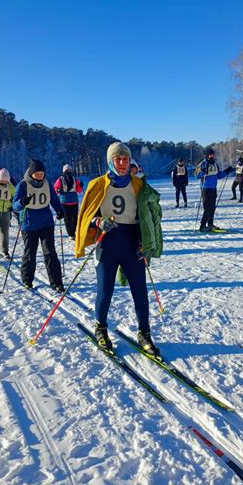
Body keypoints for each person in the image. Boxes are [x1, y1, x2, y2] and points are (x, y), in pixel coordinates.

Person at [75, 142, 163, 356]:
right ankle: (101, 328)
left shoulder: (138, 184)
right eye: (118, 159)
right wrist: (97, 222)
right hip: (107, 243)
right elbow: (86, 215)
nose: (122, 163)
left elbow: (150, 212)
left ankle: (144, 333)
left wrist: (146, 240)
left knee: (140, 291)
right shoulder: (97, 184)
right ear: (110, 161)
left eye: (125, 159)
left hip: (133, 243)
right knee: (105, 290)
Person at [12, 159, 65, 292]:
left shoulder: (47, 183)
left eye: (42, 173)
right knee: (30, 254)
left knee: (50, 253)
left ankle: (56, 282)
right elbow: (14, 205)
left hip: (46, 223)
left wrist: (59, 210)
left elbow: (54, 198)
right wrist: (22, 202)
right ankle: (27, 280)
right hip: (29, 225)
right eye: (37, 173)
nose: (40, 175)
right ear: (31, 173)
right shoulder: (23, 185)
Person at [196, 148, 233, 232]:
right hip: (205, 188)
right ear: (207, 155)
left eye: (212, 154)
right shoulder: (202, 163)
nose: (211, 156)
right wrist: (202, 171)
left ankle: (210, 224)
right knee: (207, 208)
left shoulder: (215, 164)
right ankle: (202, 225)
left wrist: (227, 171)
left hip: (213, 188)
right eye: (210, 154)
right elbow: (197, 175)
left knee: (212, 207)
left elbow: (219, 175)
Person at [54, 164, 84, 240]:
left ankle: (73, 232)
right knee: (67, 219)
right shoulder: (60, 179)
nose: (68, 171)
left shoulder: (75, 179)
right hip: (65, 202)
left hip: (74, 201)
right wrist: (58, 190)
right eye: (67, 170)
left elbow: (79, 190)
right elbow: (55, 189)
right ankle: (71, 234)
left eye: (70, 170)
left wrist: (81, 185)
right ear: (64, 171)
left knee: (74, 219)